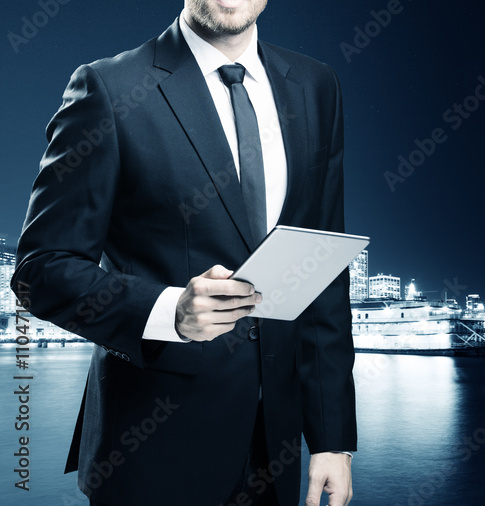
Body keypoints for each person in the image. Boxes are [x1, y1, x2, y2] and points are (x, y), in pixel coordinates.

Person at [11, 1, 356, 504]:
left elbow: (323, 269)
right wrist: (168, 312)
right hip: (151, 453)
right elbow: (41, 270)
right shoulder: (107, 88)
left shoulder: (317, 85)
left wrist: (332, 440)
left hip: (276, 452)